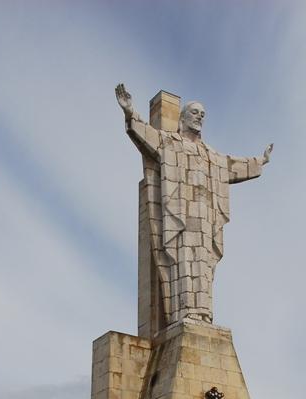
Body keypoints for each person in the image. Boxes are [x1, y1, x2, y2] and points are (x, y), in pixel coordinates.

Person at [115, 83, 272, 328]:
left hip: (206, 222)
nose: (200, 117)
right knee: (183, 262)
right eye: (195, 112)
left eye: (203, 114)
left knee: (204, 267)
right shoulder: (171, 143)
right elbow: (147, 134)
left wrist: (259, 161)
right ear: (183, 117)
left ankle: (204, 314)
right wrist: (129, 112)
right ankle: (184, 312)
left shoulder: (211, 156)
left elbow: (233, 165)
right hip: (181, 219)